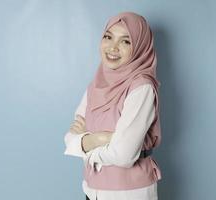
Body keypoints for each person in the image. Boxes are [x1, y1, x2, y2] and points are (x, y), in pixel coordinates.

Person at [64, 11, 162, 200]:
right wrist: (101, 138)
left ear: (140, 47)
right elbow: (69, 138)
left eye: (126, 41)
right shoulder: (97, 84)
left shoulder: (142, 88)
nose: (113, 47)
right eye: (108, 37)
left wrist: (85, 143)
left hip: (129, 193)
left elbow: (124, 155)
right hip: (91, 189)